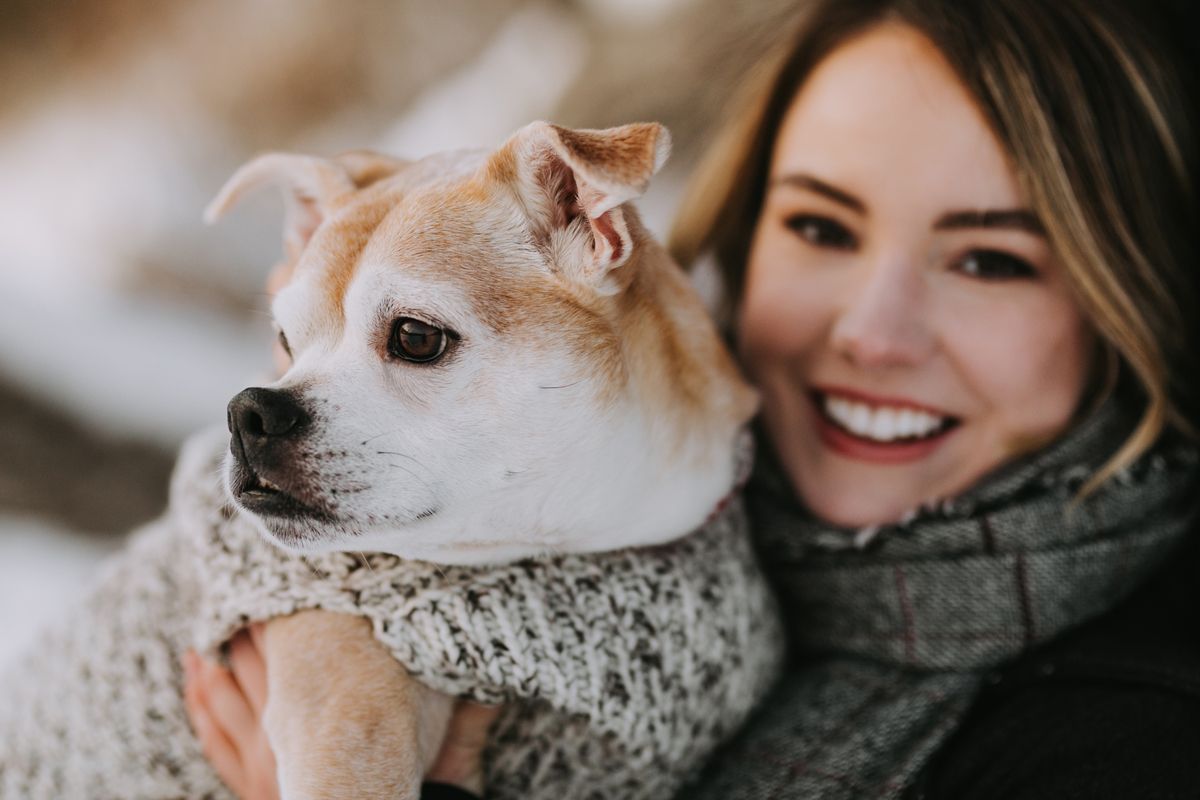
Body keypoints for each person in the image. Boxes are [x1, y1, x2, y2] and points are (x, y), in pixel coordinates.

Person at [184, 0, 1199, 797]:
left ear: (1132, 293)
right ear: (748, 223)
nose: (872, 333)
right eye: (822, 228)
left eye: (987, 259)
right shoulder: (651, 498)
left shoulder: (1134, 741)